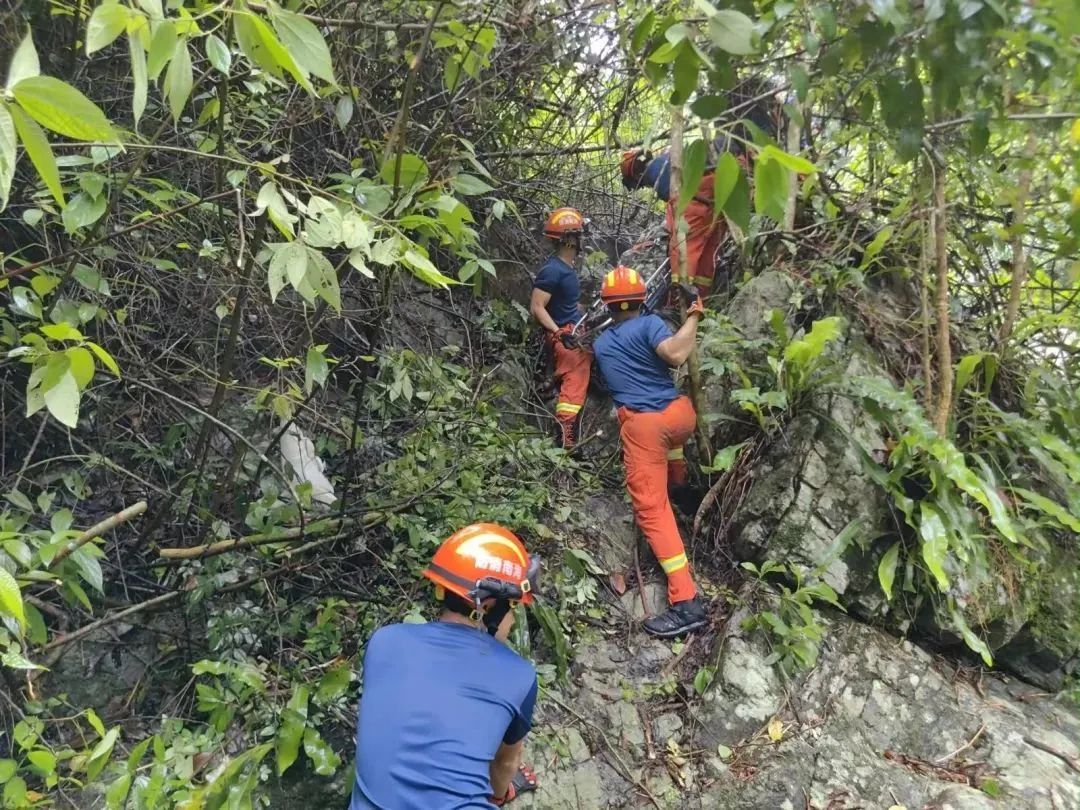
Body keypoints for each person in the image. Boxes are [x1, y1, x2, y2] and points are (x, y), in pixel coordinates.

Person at [350, 523, 541, 809]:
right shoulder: (520, 676)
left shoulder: (384, 641)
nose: (513, 621)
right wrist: (500, 797)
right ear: (489, 607)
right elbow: (505, 763)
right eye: (513, 608)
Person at [591, 265, 708, 638]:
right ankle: (681, 488)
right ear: (642, 299)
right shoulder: (650, 323)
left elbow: (673, 354)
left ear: (608, 306)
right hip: (680, 416)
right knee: (669, 443)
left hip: (645, 427)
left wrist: (691, 319)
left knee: (651, 510)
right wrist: (693, 316)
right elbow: (674, 355)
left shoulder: (601, 344)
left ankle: (686, 601)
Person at [619, 86, 781, 297]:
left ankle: (684, 293)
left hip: (709, 182)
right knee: (711, 240)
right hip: (734, 169)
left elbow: (681, 204)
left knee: (686, 238)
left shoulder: (657, 170)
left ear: (636, 174)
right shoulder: (670, 156)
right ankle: (701, 294)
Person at [529, 207, 591, 448]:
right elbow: (536, 307)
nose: (580, 240)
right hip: (563, 335)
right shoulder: (553, 270)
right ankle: (566, 433)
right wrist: (559, 334)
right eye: (577, 236)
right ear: (568, 239)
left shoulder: (565, 267)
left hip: (573, 329)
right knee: (577, 372)